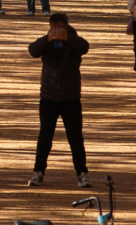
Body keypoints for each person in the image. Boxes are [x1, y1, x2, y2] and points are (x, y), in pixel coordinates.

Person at [27, 13, 92, 188]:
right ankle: (38, 172)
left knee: (75, 138)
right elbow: (32, 50)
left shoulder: (74, 41)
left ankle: (82, 173)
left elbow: (85, 47)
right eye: (54, 28)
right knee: (44, 137)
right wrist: (47, 39)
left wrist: (68, 38)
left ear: (67, 27)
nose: (57, 32)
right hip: (48, 97)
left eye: (60, 29)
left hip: (70, 98)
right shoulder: (46, 42)